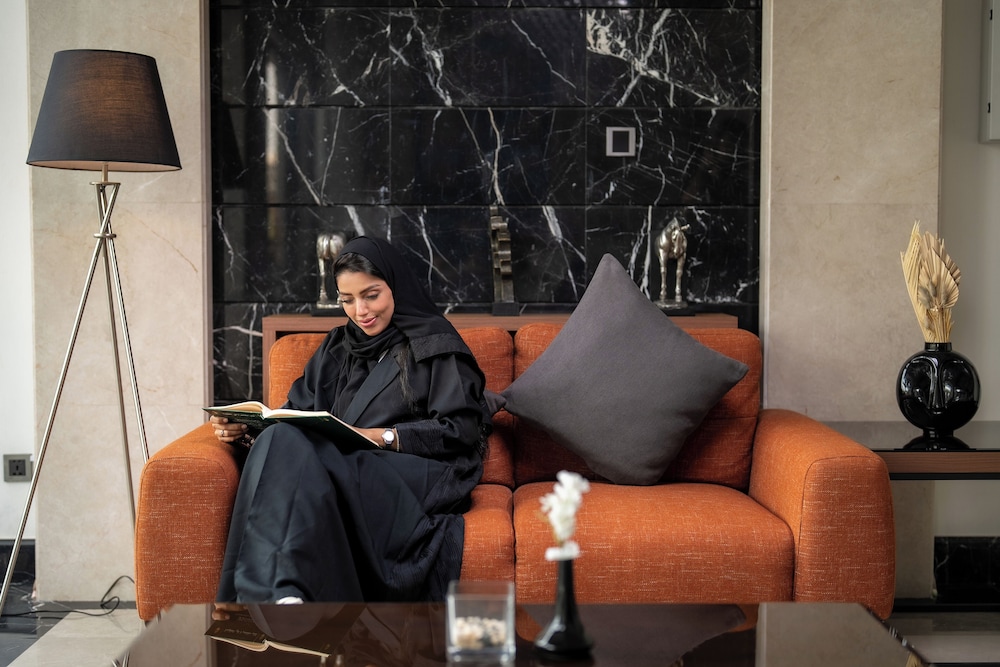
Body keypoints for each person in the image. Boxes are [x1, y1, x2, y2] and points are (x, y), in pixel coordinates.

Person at [211, 236, 489, 604]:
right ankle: (283, 595)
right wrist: (246, 432)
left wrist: (381, 436)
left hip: (415, 471)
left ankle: (266, 599)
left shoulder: (436, 344)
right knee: (279, 440)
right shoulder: (337, 347)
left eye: (371, 295)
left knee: (303, 457)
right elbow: (293, 417)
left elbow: (461, 430)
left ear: (395, 286)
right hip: (343, 463)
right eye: (347, 300)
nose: (361, 311)